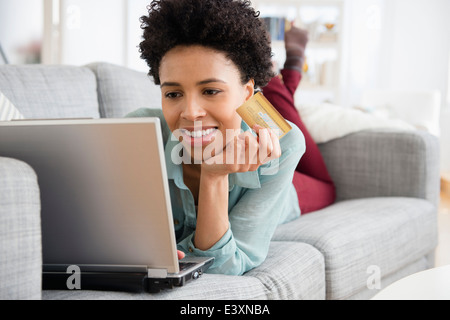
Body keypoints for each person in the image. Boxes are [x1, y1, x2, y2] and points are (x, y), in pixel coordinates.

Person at [128, 0, 309, 275]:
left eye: (211, 91)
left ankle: (293, 66)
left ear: (247, 93)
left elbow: (227, 266)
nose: (190, 113)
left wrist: (213, 177)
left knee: (326, 183)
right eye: (173, 94)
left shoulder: (285, 144)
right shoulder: (137, 132)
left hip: (295, 193)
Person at [262, 24, 336, 214]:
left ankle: (270, 71)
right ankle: (272, 72)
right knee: (328, 189)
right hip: (273, 179)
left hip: (272, 170)